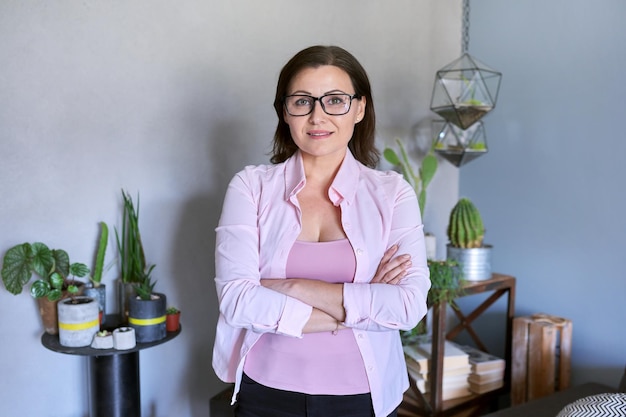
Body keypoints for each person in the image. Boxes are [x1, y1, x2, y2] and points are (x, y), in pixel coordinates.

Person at [212, 45, 430, 417]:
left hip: (364, 395)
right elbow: (237, 300)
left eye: (335, 100)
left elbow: (408, 307)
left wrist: (293, 287)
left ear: (360, 108)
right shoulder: (251, 187)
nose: (318, 116)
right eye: (302, 101)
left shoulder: (392, 194)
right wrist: (361, 302)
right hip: (265, 392)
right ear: (285, 110)